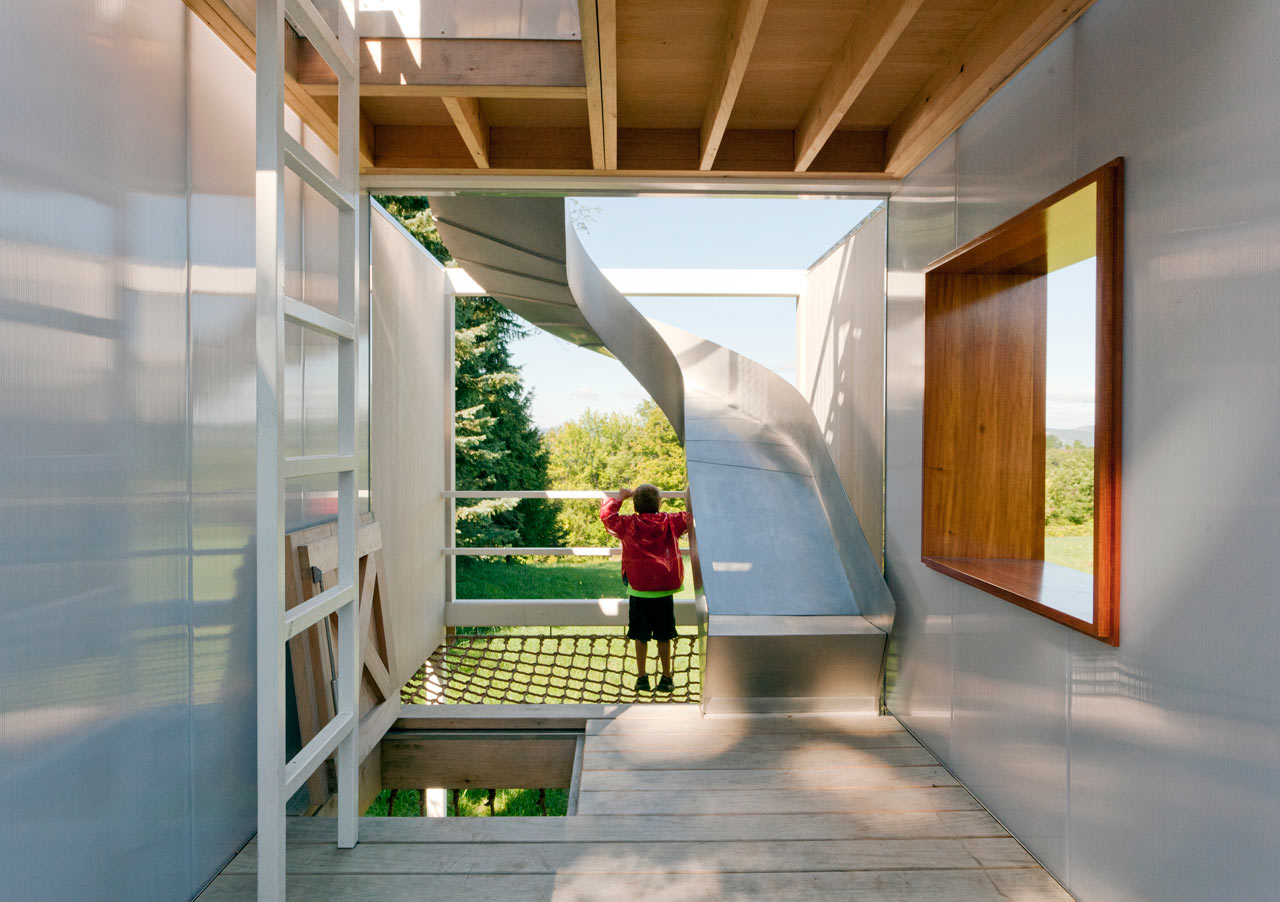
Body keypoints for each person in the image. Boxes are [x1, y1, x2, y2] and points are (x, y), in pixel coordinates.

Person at [600, 484, 690, 693]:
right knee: (664, 635)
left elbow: (607, 516)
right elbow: (690, 516)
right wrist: (688, 497)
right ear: (659, 503)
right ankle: (666, 677)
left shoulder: (628, 524)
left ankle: (642, 677)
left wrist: (620, 497)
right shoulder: (671, 521)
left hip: (638, 589)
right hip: (664, 590)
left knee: (640, 635)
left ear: (635, 505)